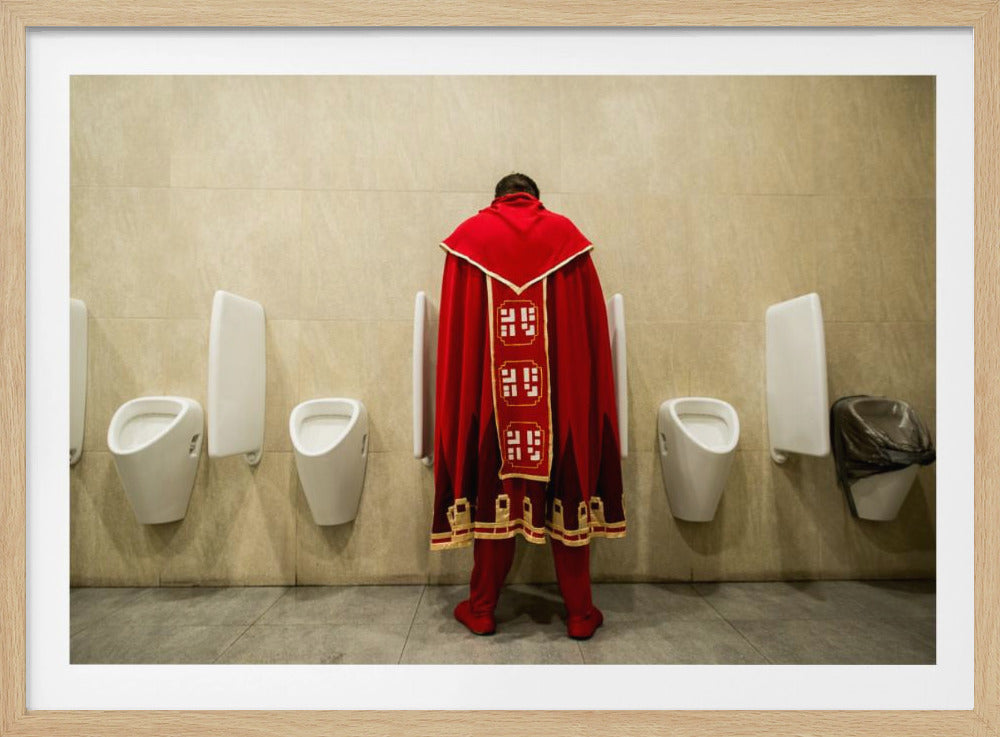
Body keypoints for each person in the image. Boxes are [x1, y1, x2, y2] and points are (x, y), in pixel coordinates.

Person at [430, 172, 626, 640]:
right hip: (557, 402)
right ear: (536, 199)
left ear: (496, 199)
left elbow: (457, 342)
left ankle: (481, 608)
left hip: (491, 403)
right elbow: (588, 336)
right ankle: (580, 614)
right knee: (567, 486)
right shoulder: (568, 241)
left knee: (492, 488)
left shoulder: (468, 242)